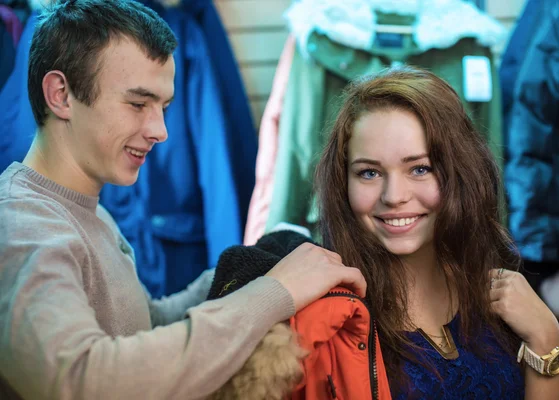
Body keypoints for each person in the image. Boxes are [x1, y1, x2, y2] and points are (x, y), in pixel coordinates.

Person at [0, 1, 366, 399]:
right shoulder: (22, 226)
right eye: (138, 104)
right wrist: (276, 291)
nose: (160, 131)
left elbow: (144, 325)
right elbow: (80, 379)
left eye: (164, 107)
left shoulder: (86, 210)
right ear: (61, 95)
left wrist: (257, 264)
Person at [313, 66, 559, 399]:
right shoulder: (332, 319)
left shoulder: (496, 283)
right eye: (369, 173)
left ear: (458, 171)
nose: (394, 195)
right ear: (342, 182)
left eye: (420, 169)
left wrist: (546, 338)